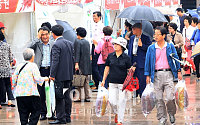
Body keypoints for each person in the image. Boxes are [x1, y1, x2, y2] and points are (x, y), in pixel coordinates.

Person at [144, 26, 182, 125]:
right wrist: (147, 75)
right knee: (159, 98)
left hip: (168, 73)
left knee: (170, 97)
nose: (155, 36)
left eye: (158, 34)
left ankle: (171, 113)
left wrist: (178, 71)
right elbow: (147, 62)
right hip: (156, 75)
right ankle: (162, 117)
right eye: (154, 34)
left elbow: (176, 58)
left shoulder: (170, 46)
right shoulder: (151, 48)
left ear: (164, 35)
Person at [101, 37, 133, 125]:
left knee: (122, 102)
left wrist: (132, 71)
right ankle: (116, 113)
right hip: (112, 82)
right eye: (114, 44)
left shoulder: (126, 58)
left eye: (117, 44)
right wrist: (103, 80)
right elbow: (107, 68)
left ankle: (120, 120)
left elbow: (129, 70)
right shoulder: (110, 56)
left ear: (122, 46)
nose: (115, 45)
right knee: (112, 101)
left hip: (123, 84)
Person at [12, 48, 49, 125]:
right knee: (37, 110)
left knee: (23, 115)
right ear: (32, 57)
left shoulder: (19, 66)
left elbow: (13, 81)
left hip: (20, 94)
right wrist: (46, 78)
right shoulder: (33, 66)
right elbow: (38, 79)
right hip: (31, 94)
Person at [28, 26, 56, 120]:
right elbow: (28, 48)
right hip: (40, 70)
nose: (44, 36)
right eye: (42, 35)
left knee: (52, 92)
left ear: (50, 34)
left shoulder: (53, 43)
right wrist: (37, 37)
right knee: (41, 93)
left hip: (51, 70)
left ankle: (52, 112)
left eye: (46, 34)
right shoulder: (37, 44)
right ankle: (43, 112)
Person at [49, 25, 74, 124]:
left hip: (59, 75)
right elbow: (72, 58)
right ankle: (67, 116)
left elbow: (55, 61)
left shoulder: (56, 45)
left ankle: (61, 118)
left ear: (53, 34)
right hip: (68, 74)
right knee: (67, 96)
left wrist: (52, 74)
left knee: (59, 96)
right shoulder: (70, 43)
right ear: (62, 33)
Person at [128, 23, 152, 98]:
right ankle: (136, 92)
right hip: (133, 58)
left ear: (139, 29)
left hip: (141, 60)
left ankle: (142, 93)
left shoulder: (146, 38)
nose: (133, 30)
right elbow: (130, 49)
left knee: (141, 78)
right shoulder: (132, 38)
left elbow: (149, 48)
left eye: (134, 29)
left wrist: (142, 46)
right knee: (134, 77)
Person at [74, 27, 91, 102]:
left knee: (79, 81)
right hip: (86, 64)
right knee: (86, 81)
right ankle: (87, 96)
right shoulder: (87, 42)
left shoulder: (78, 42)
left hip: (80, 64)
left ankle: (79, 97)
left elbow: (77, 53)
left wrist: (76, 63)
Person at [0, 31, 15, 109]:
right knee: (8, 85)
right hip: (6, 68)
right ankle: (10, 101)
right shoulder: (7, 45)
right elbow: (10, 58)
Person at [91, 11, 104, 89]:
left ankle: (101, 81)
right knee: (94, 66)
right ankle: (97, 83)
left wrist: (98, 43)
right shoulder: (93, 25)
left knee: (95, 66)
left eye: (95, 17)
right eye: (93, 17)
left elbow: (102, 37)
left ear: (99, 17)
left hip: (98, 46)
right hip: (93, 45)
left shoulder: (101, 25)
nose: (94, 18)